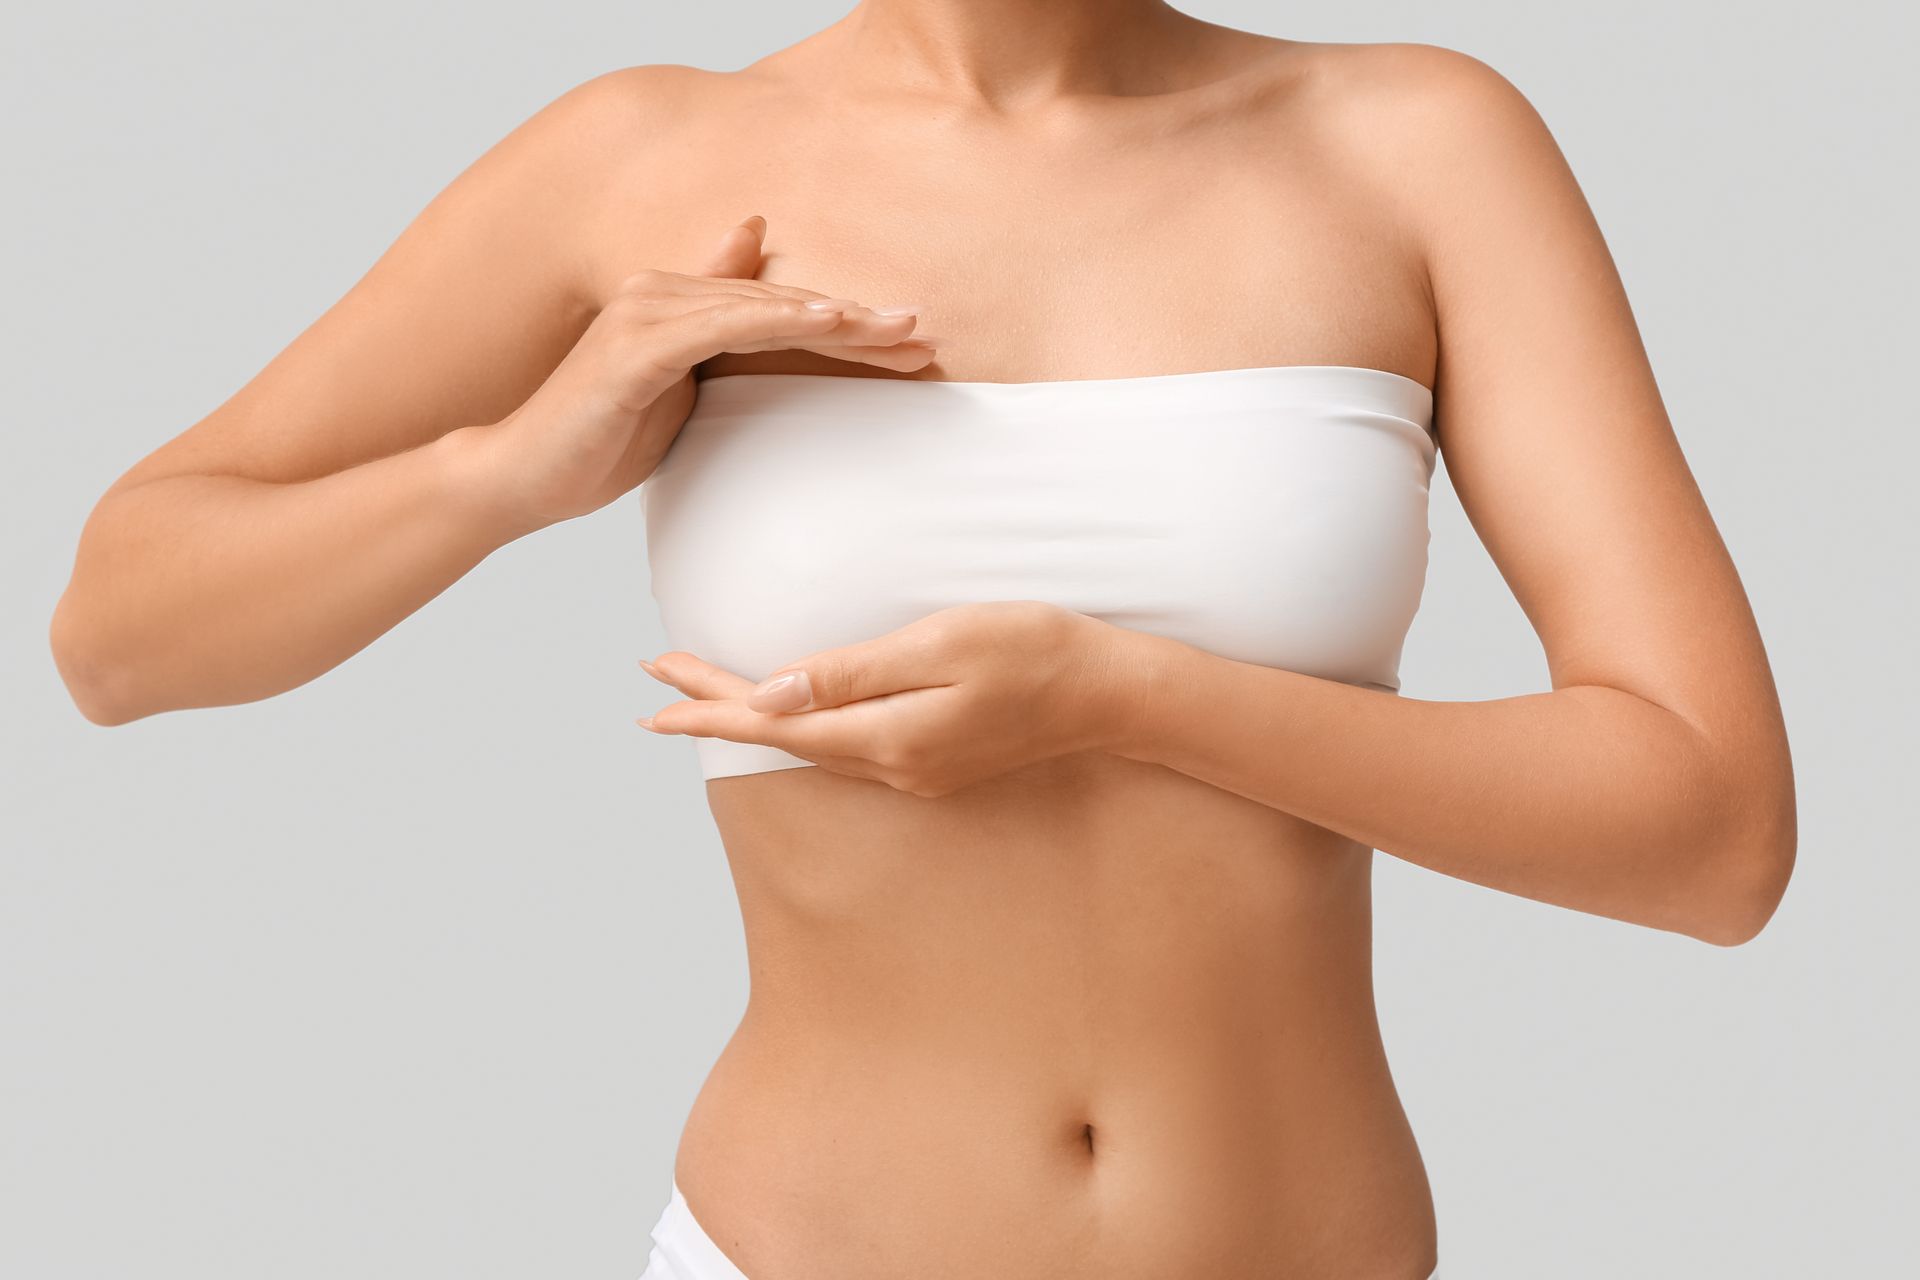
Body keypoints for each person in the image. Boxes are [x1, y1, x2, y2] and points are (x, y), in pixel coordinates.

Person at [48, 2, 1796, 1276]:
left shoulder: (1417, 142)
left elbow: (1712, 834)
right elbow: (120, 633)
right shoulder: (645, 157)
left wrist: (1124, 695)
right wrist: (506, 470)